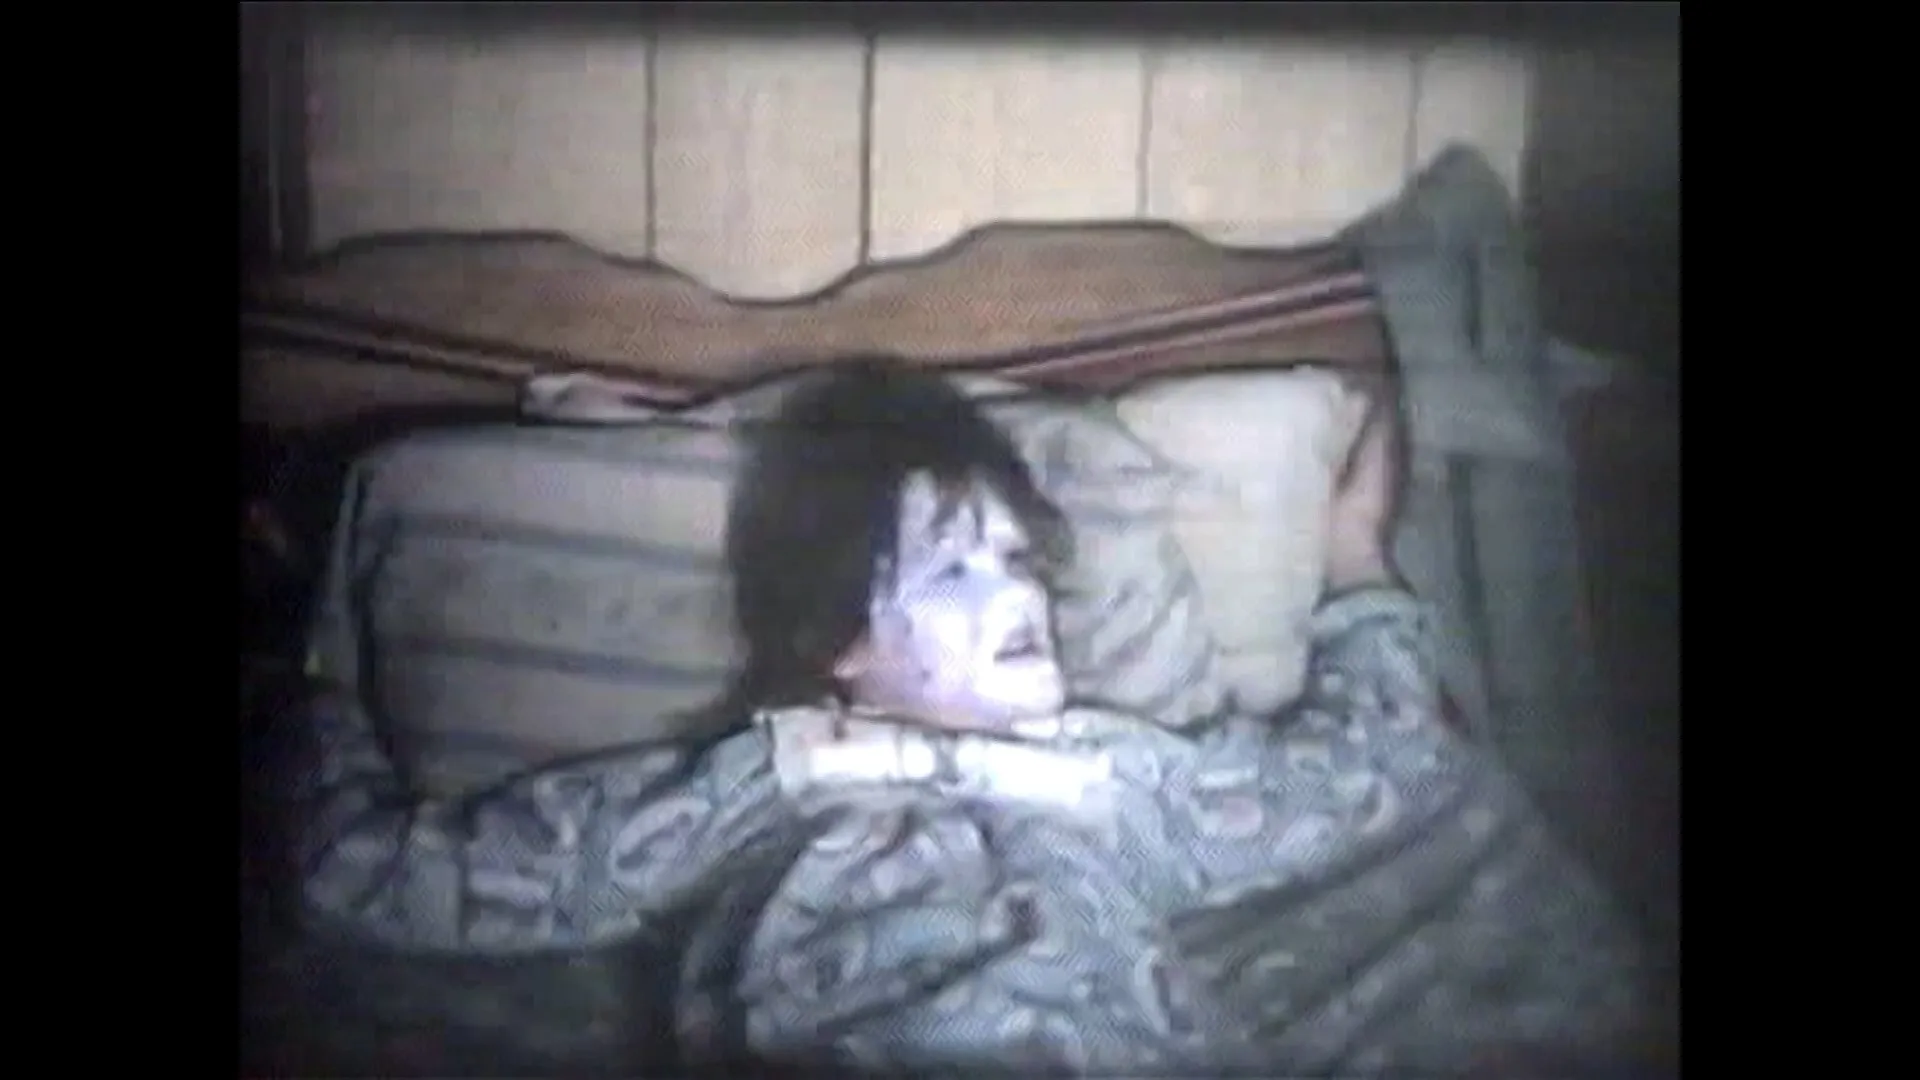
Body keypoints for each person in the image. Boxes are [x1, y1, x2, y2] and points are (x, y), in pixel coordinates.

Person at [293, 359, 1663, 1075]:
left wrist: (1356, 554)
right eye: (954, 569)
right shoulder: (752, 786)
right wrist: (313, 674)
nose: (1019, 597)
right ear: (839, 647)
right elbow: (384, 879)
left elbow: (1368, 766)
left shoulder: (1116, 780)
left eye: (1020, 563)